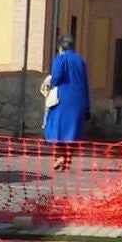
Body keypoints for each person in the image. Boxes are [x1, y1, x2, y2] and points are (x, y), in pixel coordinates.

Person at [44, 35, 90, 171]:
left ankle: (59, 157)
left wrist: (49, 82)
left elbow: (56, 77)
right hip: (80, 101)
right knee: (72, 132)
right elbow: (85, 83)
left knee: (55, 129)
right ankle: (67, 161)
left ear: (60, 47)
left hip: (62, 100)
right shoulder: (81, 61)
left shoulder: (61, 58)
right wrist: (87, 107)